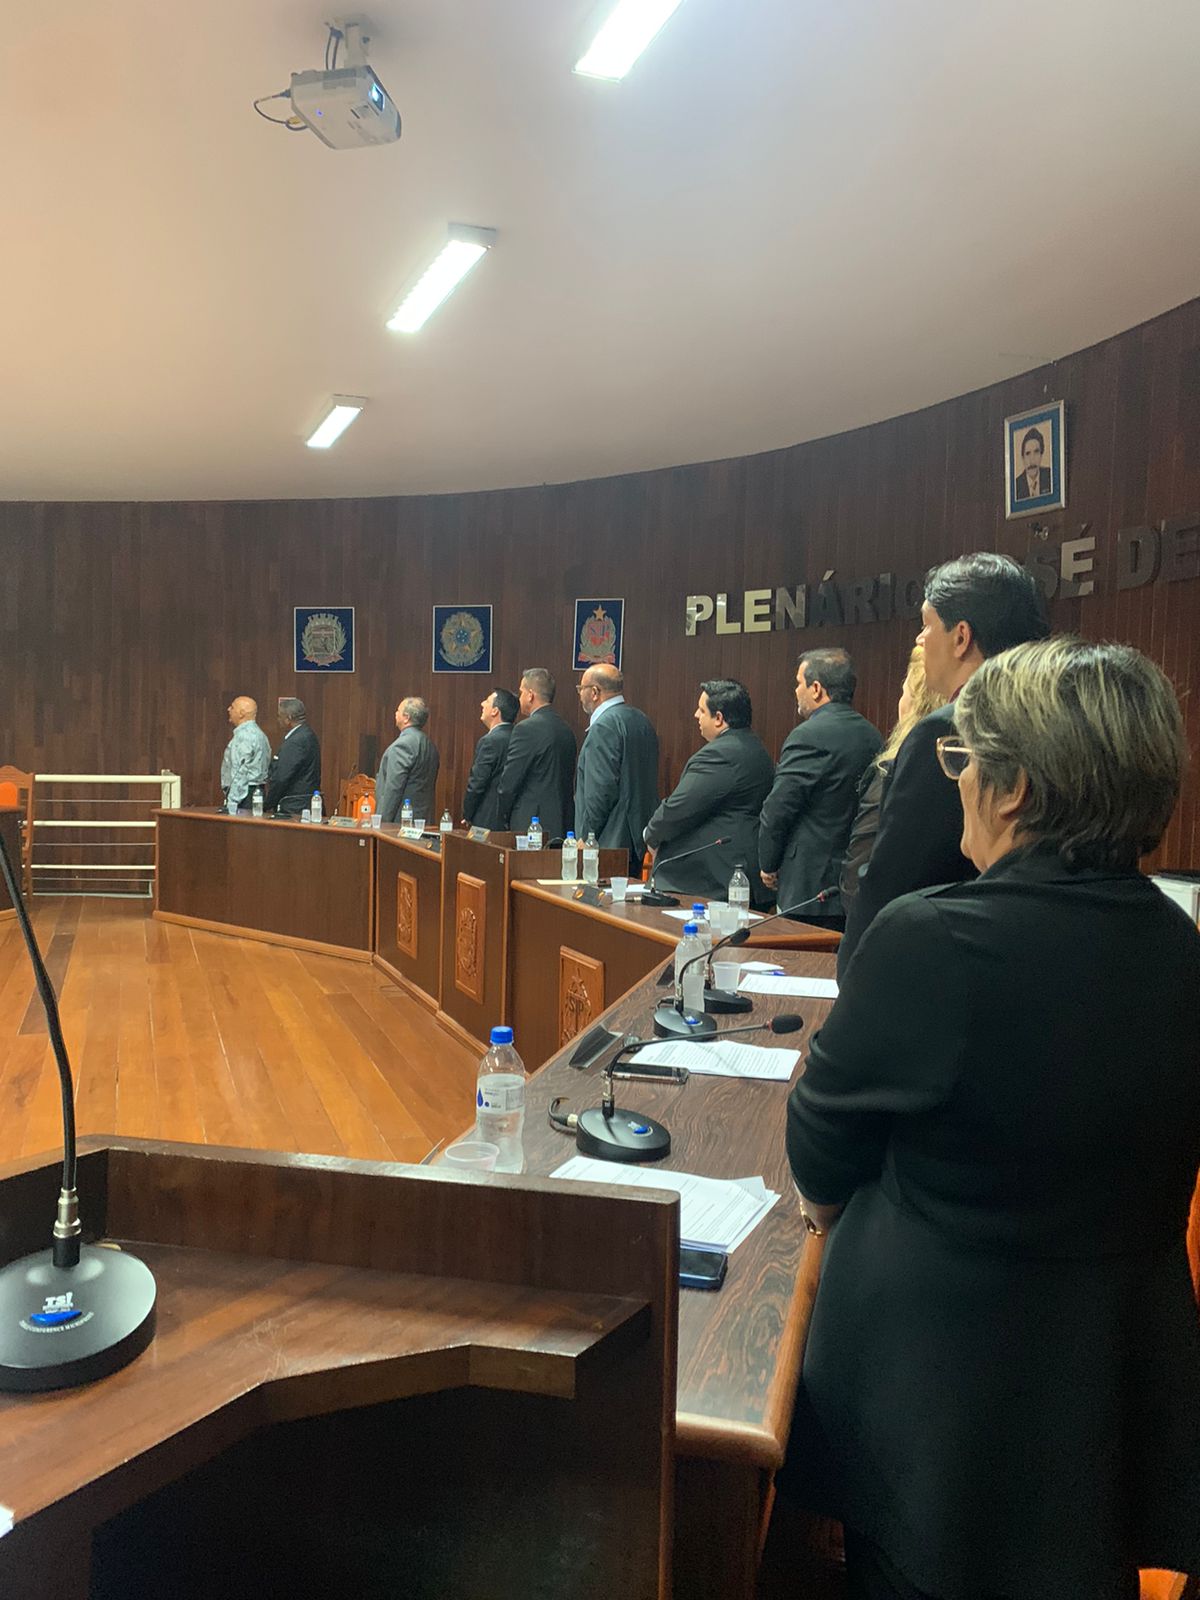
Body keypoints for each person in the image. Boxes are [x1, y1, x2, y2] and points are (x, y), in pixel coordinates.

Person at [782, 637, 1200, 1600]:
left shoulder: (934, 936)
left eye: (964, 760)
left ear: (1013, 790)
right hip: (1107, 1384)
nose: (957, 781)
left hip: (936, 1400)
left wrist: (825, 1214)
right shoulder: (1182, 945)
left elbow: (820, 1152)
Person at [838, 551, 1047, 975]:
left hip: (936, 962)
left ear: (961, 636)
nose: (920, 639)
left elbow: (894, 878)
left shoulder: (945, 733)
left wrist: (855, 972)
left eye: (926, 624)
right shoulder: (1054, 722)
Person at [757, 648, 880, 928]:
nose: (796, 691)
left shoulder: (808, 735)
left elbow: (779, 807)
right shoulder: (872, 735)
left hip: (808, 887)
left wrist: (768, 863)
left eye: (798, 683)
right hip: (853, 881)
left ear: (816, 689)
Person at [643, 679, 775, 906]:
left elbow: (679, 808)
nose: (696, 715)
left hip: (713, 879)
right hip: (741, 873)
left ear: (719, 718)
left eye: (702, 710)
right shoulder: (755, 747)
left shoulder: (721, 754)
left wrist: (651, 834)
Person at [839, 646, 946, 915]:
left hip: (892, 919)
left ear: (916, 703)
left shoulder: (896, 772)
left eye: (903, 691)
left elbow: (863, 868)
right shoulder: (966, 764)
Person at [574, 664, 660, 874]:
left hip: (608, 841)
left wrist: (587, 836)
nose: (580, 695)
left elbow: (601, 791)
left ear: (594, 692)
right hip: (636, 839)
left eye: (581, 689)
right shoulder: (641, 720)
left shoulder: (604, 726)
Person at [495, 667, 577, 839]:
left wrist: (502, 816)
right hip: (564, 820)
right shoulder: (566, 729)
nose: (519, 698)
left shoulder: (525, 729)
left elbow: (509, 782)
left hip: (531, 823)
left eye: (521, 692)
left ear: (530, 695)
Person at [376, 697, 440, 825]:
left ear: (406, 718)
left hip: (401, 822)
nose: (395, 713)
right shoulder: (431, 746)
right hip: (424, 820)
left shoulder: (402, 745)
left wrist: (382, 823)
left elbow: (393, 789)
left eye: (398, 710)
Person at [461, 688, 518, 830]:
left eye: (487, 701)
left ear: (495, 711)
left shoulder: (490, 741)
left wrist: (468, 814)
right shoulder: (519, 737)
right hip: (513, 818)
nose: (482, 704)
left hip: (487, 817)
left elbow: (477, 782)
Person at [264, 698, 321, 818]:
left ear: (288, 719)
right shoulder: (308, 734)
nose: (278, 719)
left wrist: (267, 803)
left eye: (279, 716)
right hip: (303, 804)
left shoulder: (295, 741)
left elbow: (281, 777)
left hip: (293, 807)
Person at [220, 695, 271, 812]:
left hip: (243, 796)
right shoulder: (260, 735)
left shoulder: (243, 737)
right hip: (258, 793)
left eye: (232, 707)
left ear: (241, 713)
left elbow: (240, 771)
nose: (228, 709)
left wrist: (232, 802)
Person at [1014, 425, 1052, 499]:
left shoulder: (1051, 476)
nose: (1032, 459)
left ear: (1041, 455)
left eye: (1036, 452)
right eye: (1028, 453)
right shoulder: (1016, 486)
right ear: (1023, 458)